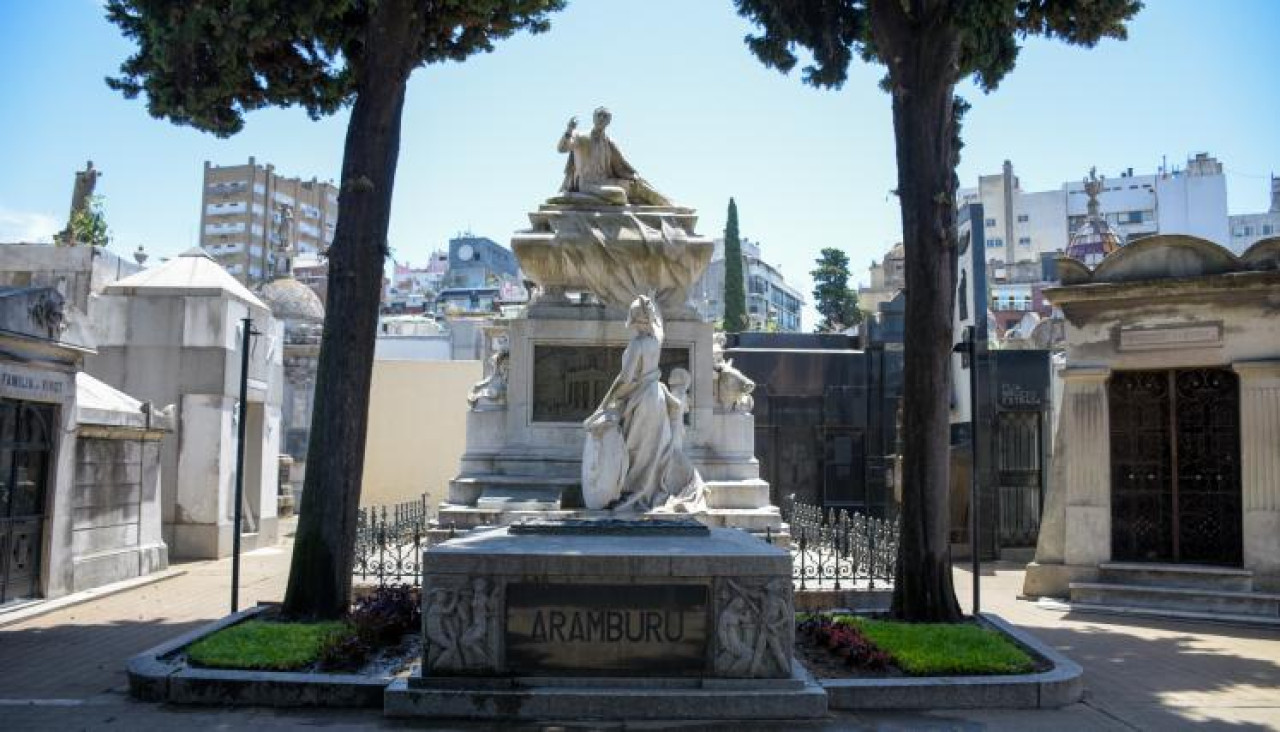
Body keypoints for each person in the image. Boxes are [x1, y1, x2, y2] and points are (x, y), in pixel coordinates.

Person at [556, 107, 671, 206]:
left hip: (606, 181)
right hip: (588, 184)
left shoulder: (609, 142)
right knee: (619, 194)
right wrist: (569, 131)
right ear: (593, 118)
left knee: (638, 185)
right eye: (599, 115)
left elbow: (620, 166)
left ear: (609, 121)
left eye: (605, 116)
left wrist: (632, 176)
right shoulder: (581, 137)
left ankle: (670, 205)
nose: (601, 118)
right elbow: (562, 149)